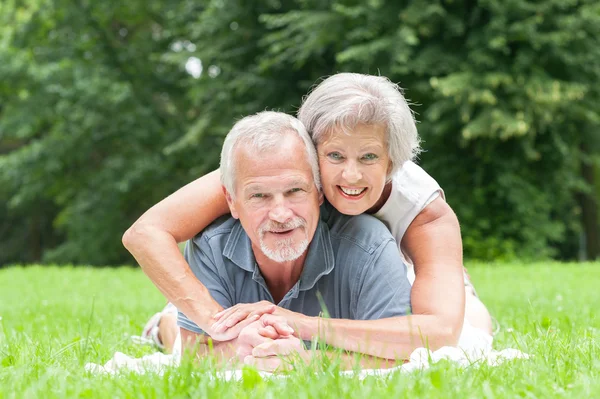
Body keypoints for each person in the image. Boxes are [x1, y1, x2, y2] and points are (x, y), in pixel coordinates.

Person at [124, 73, 493, 356]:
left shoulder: (425, 213)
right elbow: (146, 233)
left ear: (393, 161)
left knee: (473, 330)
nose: (350, 175)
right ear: (311, 150)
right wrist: (218, 323)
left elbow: (438, 332)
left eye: (368, 158)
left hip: (395, 263)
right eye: (334, 156)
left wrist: (302, 326)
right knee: (183, 323)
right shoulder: (278, 168)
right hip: (294, 256)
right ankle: (163, 324)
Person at [176, 111, 412, 370]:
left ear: (319, 191)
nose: (280, 214)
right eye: (259, 196)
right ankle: (160, 325)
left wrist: (309, 360)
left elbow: (405, 354)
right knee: (169, 331)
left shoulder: (370, 246)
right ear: (231, 201)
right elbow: (192, 354)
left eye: (295, 191)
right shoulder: (210, 246)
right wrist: (238, 349)